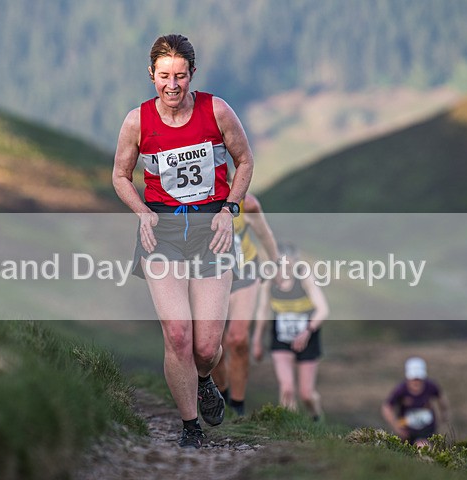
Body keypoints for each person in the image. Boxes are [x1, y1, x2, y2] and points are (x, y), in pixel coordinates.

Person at [112, 34, 254, 449]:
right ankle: (190, 427)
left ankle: (206, 379)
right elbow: (120, 175)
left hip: (213, 227)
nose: (172, 85)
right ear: (151, 75)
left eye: (179, 76)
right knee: (178, 335)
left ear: (193, 73)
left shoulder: (217, 111)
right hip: (164, 231)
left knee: (207, 346)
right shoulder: (137, 121)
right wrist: (142, 213)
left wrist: (230, 209)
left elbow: (244, 161)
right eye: (163, 76)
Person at [211, 192, 279, 416]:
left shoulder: (247, 204)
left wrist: (276, 266)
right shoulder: (194, 201)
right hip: (209, 276)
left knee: (238, 339)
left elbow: (265, 235)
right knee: (212, 344)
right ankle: (221, 396)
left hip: (245, 272)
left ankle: (237, 408)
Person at [252, 243, 329, 421]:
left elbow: (323, 309)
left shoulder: (304, 278)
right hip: (281, 338)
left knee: (306, 394)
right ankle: (289, 426)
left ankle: (316, 416)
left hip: (308, 337)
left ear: (295, 262)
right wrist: (257, 341)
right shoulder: (269, 281)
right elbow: (262, 311)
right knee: (287, 388)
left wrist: (308, 331)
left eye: (288, 265)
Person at [381, 357, 451, 448]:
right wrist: (396, 426)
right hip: (406, 433)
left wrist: (444, 413)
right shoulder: (401, 390)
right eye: (414, 378)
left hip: (427, 432)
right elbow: (387, 407)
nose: (416, 382)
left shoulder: (431, 386)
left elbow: (441, 397)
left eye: (419, 378)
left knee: (422, 448)